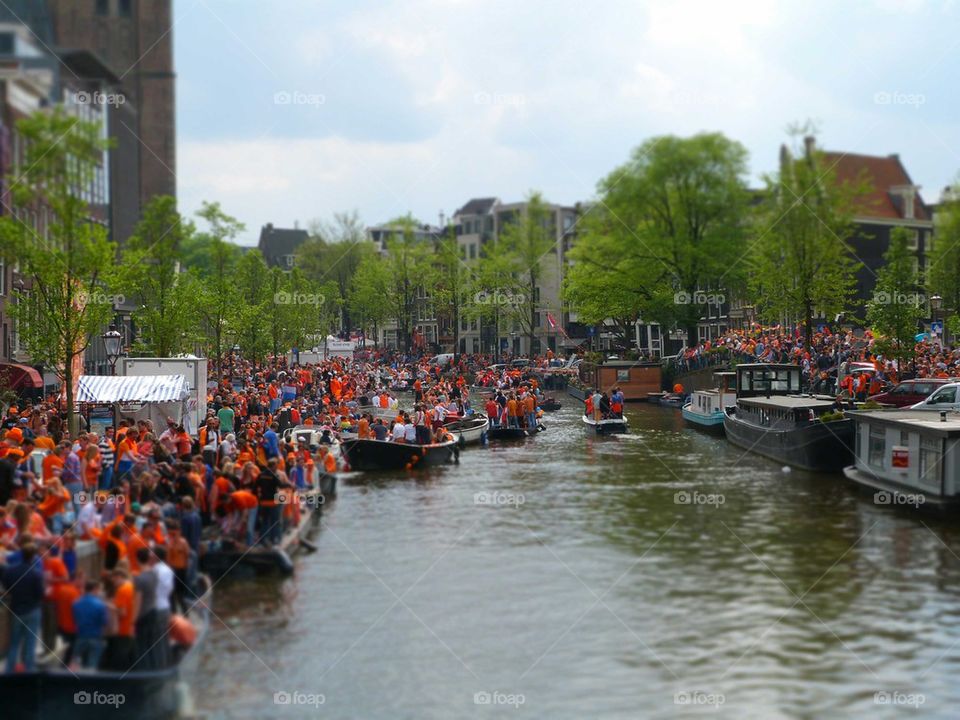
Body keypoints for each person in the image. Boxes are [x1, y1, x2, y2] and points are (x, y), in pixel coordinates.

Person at [2, 542, 44, 672]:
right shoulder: (36, 574)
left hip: (16, 610)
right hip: (32, 610)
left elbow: (6, 586)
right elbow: (40, 594)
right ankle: (28, 671)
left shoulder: (11, 571)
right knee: (30, 643)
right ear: (33, 557)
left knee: (14, 642)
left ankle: (9, 670)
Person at [71, 579, 108, 670]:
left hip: (81, 636)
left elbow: (75, 619)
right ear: (95, 589)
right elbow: (104, 622)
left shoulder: (76, 603)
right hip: (95, 637)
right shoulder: (100, 605)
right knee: (92, 665)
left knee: (76, 664)